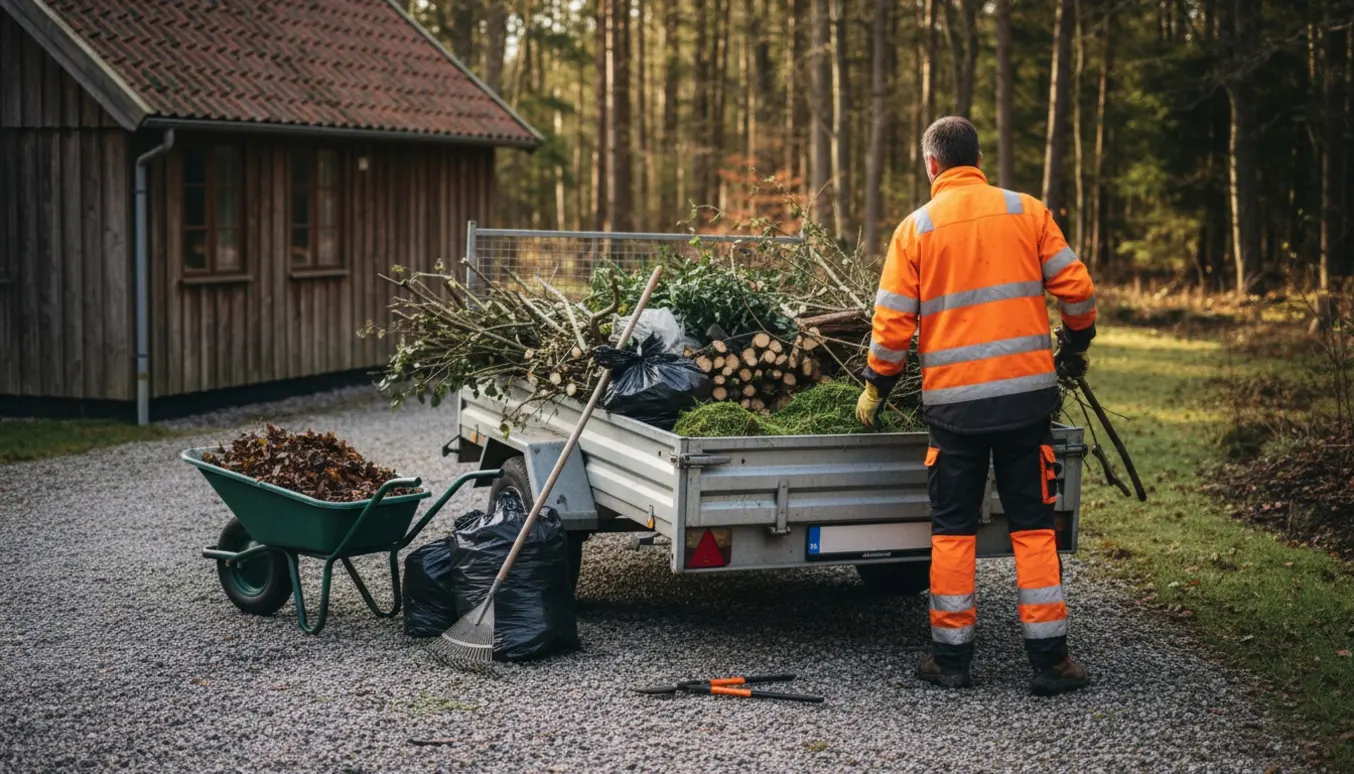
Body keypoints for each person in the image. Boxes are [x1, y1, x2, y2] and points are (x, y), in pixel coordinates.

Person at [856, 116, 1097, 696]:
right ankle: (1050, 663)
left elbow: (892, 328)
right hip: (1025, 406)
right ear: (977, 158)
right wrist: (1076, 343)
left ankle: (952, 660)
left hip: (955, 414)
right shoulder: (1027, 211)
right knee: (1034, 529)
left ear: (932, 165)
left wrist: (875, 386)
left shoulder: (915, 229)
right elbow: (1078, 291)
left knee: (953, 533)